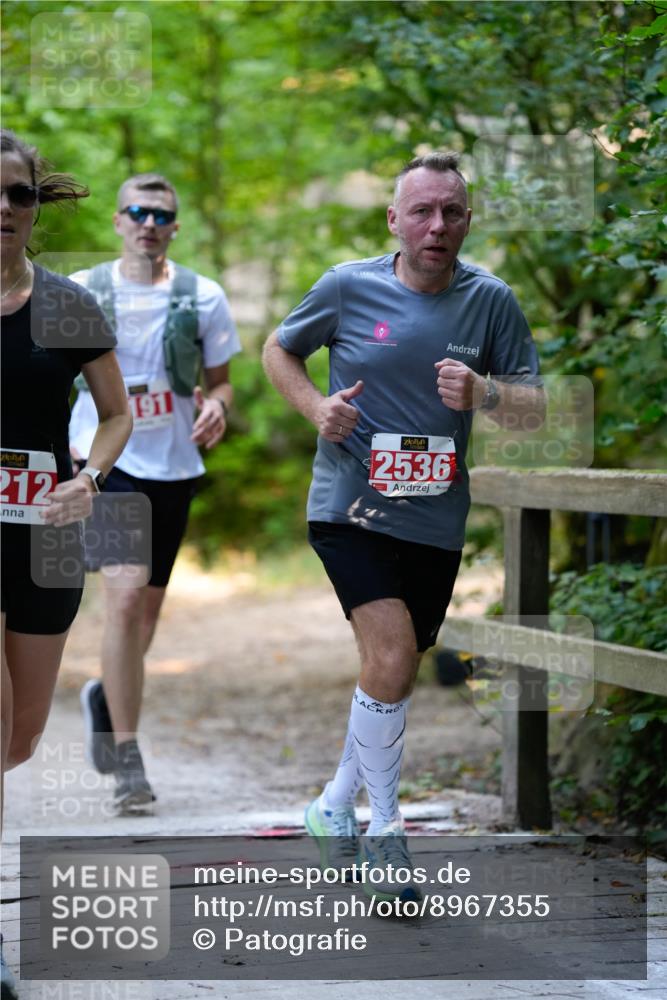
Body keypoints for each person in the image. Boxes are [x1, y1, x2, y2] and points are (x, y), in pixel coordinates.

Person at [263, 151, 544, 901]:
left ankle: (330, 807)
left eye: (451, 211)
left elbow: (533, 408)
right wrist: (316, 409)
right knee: (389, 654)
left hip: (434, 521)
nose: (436, 225)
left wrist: (484, 392)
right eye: (421, 210)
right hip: (349, 509)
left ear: (467, 220)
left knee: (393, 670)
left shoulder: (491, 302)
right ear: (393, 220)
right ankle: (384, 832)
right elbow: (278, 350)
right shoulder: (347, 286)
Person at [0, 129, 132, 998]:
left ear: (37, 205)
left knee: (19, 738)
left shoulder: (68, 304)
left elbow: (118, 414)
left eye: (19, 194)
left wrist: (88, 479)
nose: (5, 209)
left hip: (45, 534)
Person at [70, 172, 241, 815]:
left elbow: (222, 384)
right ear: (118, 221)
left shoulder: (205, 297)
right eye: (137, 212)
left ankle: (103, 694)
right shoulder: (82, 292)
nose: (148, 223)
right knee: (121, 594)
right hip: (104, 459)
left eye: (161, 215)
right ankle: (127, 760)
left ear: (174, 226)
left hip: (173, 463)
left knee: (144, 613)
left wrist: (218, 409)